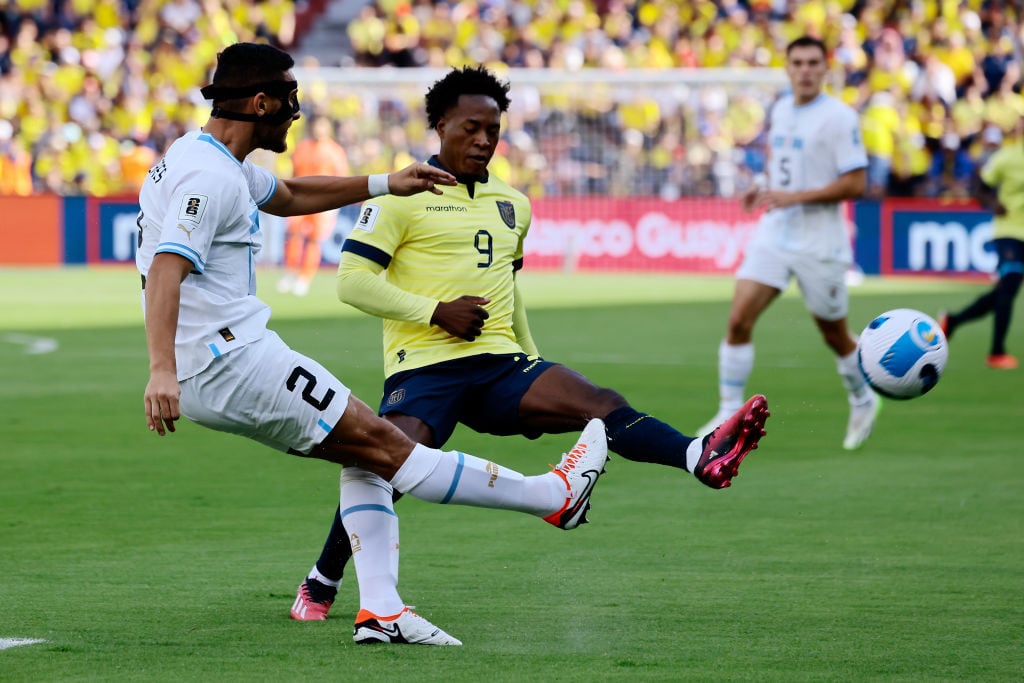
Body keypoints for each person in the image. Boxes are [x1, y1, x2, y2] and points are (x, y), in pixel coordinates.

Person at [136, 42, 613, 647]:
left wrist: (388, 182)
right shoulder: (208, 176)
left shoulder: (204, 157)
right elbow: (168, 268)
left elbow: (286, 197)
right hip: (230, 360)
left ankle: (382, 611)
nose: (295, 114)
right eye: (288, 100)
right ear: (260, 102)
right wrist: (160, 372)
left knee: (366, 455)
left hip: (216, 362)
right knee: (388, 447)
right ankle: (552, 496)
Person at [288, 64, 771, 622]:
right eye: (471, 127)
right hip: (423, 369)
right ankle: (321, 583)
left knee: (602, 403)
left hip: (500, 365)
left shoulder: (514, 203)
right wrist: (436, 312)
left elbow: (509, 290)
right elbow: (352, 282)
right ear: (440, 123)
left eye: (493, 129)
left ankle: (697, 454)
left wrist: (534, 359)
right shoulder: (401, 196)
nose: (483, 140)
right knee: (382, 464)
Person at [696, 36, 876, 451]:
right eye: (798, 62)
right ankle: (727, 410)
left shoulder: (839, 118)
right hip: (776, 232)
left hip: (821, 240)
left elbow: (857, 182)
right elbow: (786, 170)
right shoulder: (781, 108)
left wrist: (797, 197)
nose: (806, 70)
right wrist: (761, 187)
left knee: (834, 334)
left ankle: (862, 398)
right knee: (739, 319)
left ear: (826, 69)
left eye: (814, 62)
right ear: (788, 67)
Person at [938, 126, 1024, 370]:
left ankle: (952, 321)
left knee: (1001, 294)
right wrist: (993, 203)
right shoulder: (1006, 158)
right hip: (1009, 231)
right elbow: (980, 187)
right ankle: (997, 353)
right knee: (1009, 285)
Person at [277, 115, 351, 296]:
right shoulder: (302, 148)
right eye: (317, 125)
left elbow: (342, 178)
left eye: (323, 126)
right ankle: (291, 271)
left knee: (314, 239)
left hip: (324, 201)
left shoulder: (335, 151)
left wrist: (335, 203)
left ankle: (305, 278)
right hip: (300, 197)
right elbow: (294, 172)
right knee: (294, 233)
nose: (320, 129)